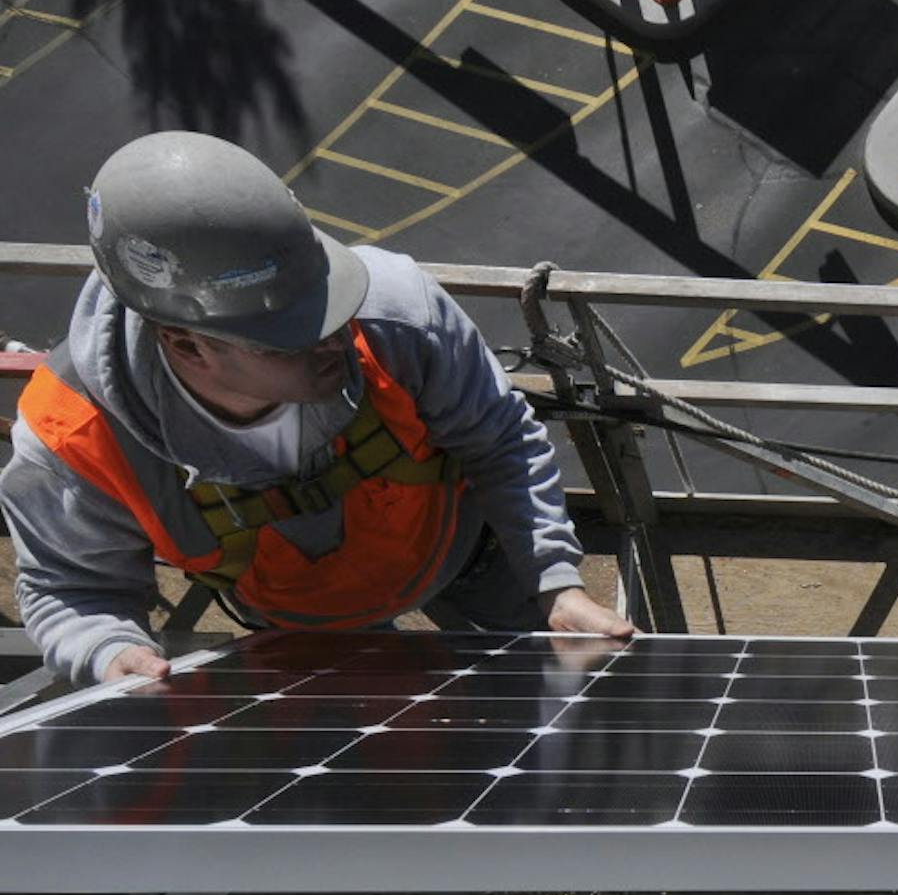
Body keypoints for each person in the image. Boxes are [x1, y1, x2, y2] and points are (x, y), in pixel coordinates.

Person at [0, 131, 632, 685]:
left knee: (552, 702)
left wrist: (554, 579)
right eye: (293, 333)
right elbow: (71, 589)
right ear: (186, 344)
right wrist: (110, 652)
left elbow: (500, 440)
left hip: (465, 553)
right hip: (298, 622)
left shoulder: (394, 312)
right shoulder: (73, 434)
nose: (334, 336)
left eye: (328, 303)